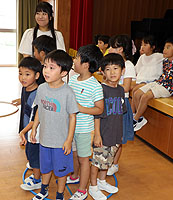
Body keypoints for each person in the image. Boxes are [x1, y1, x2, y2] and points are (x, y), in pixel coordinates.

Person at [30, 50, 79, 200]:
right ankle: (44, 190)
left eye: (52, 68)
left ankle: (59, 195)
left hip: (61, 143)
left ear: (63, 72)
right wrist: (34, 128)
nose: (46, 71)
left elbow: (72, 117)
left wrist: (69, 140)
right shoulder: (42, 88)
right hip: (45, 139)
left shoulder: (68, 93)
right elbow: (39, 109)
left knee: (61, 171)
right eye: (45, 66)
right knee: (45, 167)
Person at [68, 44, 104, 200]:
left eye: (77, 58)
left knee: (84, 160)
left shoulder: (95, 86)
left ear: (85, 65)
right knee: (74, 155)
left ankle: (83, 190)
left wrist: (81, 108)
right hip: (72, 127)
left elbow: (99, 109)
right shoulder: (73, 79)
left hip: (84, 129)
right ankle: (75, 176)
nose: (74, 60)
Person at [89, 53, 126, 200]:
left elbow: (120, 115)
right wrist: (97, 134)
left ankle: (102, 181)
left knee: (107, 161)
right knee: (97, 162)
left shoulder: (121, 90)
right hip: (103, 134)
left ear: (122, 70)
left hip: (115, 133)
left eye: (116, 68)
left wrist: (120, 133)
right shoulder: (101, 90)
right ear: (102, 72)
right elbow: (97, 115)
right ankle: (93, 187)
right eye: (108, 69)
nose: (112, 72)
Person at [133, 36, 173, 131]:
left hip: (167, 88)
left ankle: (135, 119)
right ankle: (140, 117)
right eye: (164, 47)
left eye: (168, 47)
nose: (164, 50)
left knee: (146, 96)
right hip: (158, 83)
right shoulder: (164, 60)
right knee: (137, 93)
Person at [106, 34, 135, 176]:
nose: (109, 49)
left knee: (119, 136)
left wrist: (112, 85)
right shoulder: (111, 64)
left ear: (121, 49)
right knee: (109, 133)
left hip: (121, 104)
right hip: (110, 102)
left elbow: (127, 87)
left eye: (112, 46)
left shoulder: (128, 65)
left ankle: (115, 164)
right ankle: (107, 159)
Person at [11, 57, 42, 190]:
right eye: (20, 73)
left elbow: (35, 119)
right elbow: (27, 103)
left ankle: (37, 180)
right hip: (26, 128)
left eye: (27, 74)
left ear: (37, 75)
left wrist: (24, 131)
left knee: (34, 156)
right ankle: (36, 175)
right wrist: (20, 100)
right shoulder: (26, 88)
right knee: (30, 153)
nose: (22, 77)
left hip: (33, 132)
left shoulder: (37, 94)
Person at [131, 35, 163, 113]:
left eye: (145, 45)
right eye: (142, 44)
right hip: (142, 82)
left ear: (152, 47)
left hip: (152, 82)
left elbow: (171, 58)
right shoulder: (142, 57)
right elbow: (136, 69)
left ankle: (136, 115)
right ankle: (132, 113)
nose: (142, 47)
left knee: (136, 91)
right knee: (133, 90)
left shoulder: (158, 56)